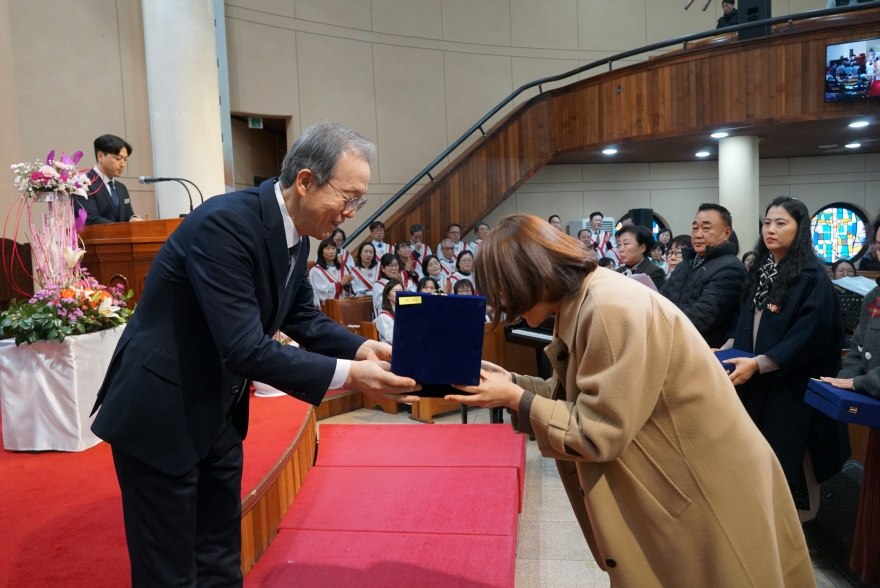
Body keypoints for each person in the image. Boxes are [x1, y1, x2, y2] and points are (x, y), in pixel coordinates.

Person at [89, 121, 420, 587]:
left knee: (221, 559)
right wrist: (354, 375)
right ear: (305, 181)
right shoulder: (225, 223)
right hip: (161, 412)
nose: (351, 211)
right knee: (169, 573)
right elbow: (245, 347)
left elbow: (302, 318)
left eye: (358, 201)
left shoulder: (297, 232)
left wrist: (368, 347)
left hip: (217, 410)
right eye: (348, 197)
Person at [446, 213, 817, 588]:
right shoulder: (583, 297)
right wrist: (509, 382)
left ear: (530, 275)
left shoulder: (608, 307)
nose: (505, 305)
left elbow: (597, 431)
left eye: (504, 291)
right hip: (682, 470)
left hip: (704, 481)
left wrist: (514, 396)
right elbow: (576, 396)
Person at [722, 196, 849, 522]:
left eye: (781, 223)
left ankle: (793, 538)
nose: (771, 229)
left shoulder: (811, 276)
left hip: (792, 388)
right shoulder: (762, 271)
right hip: (758, 384)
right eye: (767, 222)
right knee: (756, 461)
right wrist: (729, 347)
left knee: (791, 464)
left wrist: (762, 362)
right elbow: (748, 325)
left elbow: (810, 335)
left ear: (800, 229)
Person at [822, 215, 880, 585]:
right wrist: (843, 382)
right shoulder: (875, 295)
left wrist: (859, 383)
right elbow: (858, 348)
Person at [660, 203, 746, 348]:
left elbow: (702, 316)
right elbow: (661, 300)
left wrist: (660, 328)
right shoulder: (684, 265)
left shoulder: (731, 268)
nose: (698, 234)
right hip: (672, 343)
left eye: (706, 228)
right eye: (695, 228)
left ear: (726, 233)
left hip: (702, 350)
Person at [75, 134, 143, 225]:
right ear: (100, 156)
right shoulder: (83, 184)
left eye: (125, 159)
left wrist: (133, 219)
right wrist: (122, 229)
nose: (122, 164)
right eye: (118, 158)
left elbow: (127, 216)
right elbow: (90, 219)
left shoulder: (121, 188)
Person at [615, 225, 666, 289]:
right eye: (619, 245)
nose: (621, 249)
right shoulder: (617, 272)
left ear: (642, 248)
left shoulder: (655, 272)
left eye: (626, 243)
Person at [309, 238, 353, 307]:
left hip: (344, 305)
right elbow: (323, 292)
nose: (331, 251)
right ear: (321, 252)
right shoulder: (316, 270)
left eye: (333, 248)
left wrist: (348, 283)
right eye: (328, 249)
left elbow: (349, 292)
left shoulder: (343, 267)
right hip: (328, 308)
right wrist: (340, 284)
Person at [375, 279, 402, 344]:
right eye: (395, 291)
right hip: (391, 350)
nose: (399, 294)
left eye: (401, 291)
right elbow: (392, 339)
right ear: (388, 295)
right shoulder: (383, 317)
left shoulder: (406, 313)